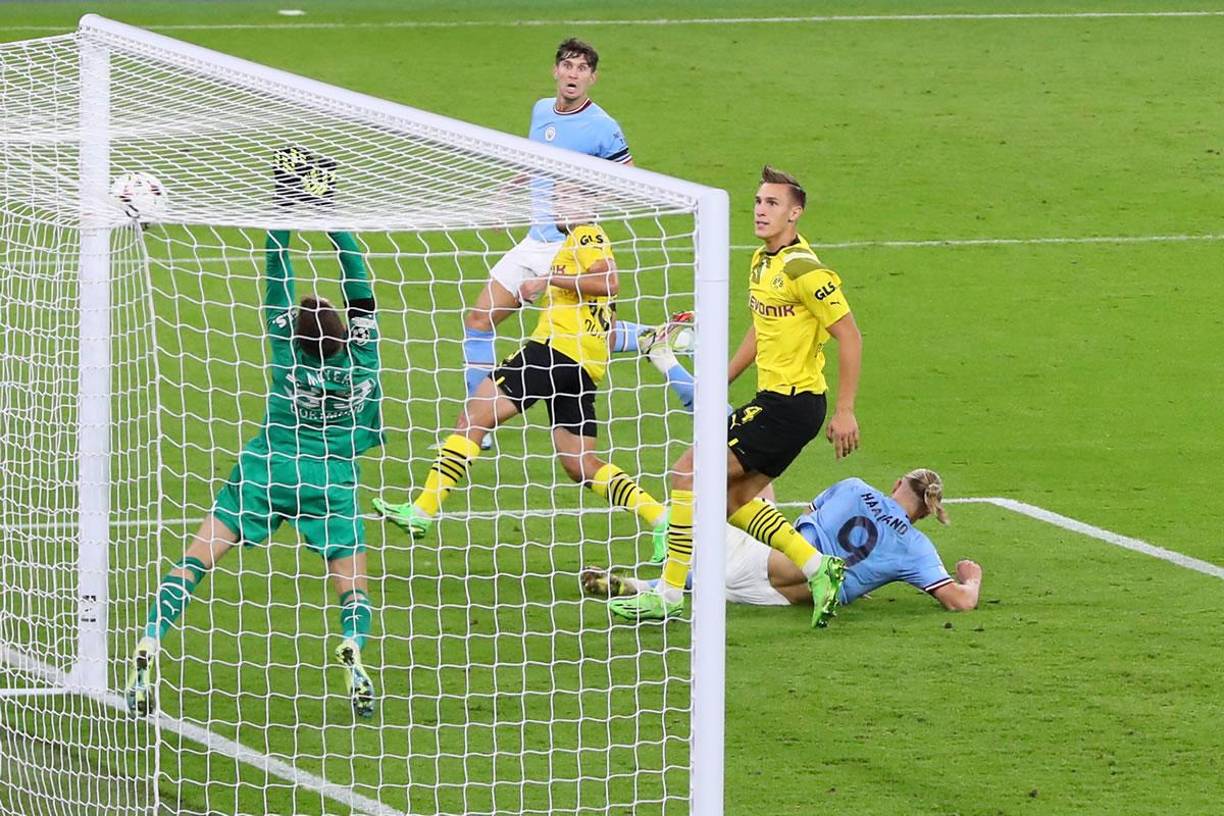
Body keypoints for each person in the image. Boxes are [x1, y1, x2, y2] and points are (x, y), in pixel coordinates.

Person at [123, 229, 383, 719]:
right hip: (330, 481)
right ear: (347, 332)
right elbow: (358, 283)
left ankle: (151, 637)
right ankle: (352, 643)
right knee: (352, 585)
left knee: (196, 561)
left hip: (265, 471)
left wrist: (281, 213)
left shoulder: (287, 352)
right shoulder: (364, 357)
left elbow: (277, 271)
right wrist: (332, 218)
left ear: (297, 332)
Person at [609, 165, 864, 628]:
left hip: (791, 405)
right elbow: (760, 328)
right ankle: (816, 567)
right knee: (731, 502)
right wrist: (723, 377)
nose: (761, 211)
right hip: (780, 403)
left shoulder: (806, 270)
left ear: (795, 213)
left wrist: (846, 411)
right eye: (758, 202)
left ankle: (668, 593)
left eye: (773, 204)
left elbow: (850, 336)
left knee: (688, 473)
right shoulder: (761, 262)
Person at [374, 208, 666, 541]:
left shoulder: (587, 233)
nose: (556, 206)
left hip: (553, 350)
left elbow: (609, 283)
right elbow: (607, 321)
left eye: (565, 198)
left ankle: (422, 510)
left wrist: (547, 279)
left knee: (473, 418)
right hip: (585, 365)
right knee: (580, 463)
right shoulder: (579, 243)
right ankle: (662, 519)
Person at [460, 38, 649, 448]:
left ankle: (655, 338)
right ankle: (480, 419)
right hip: (533, 239)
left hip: (566, 246)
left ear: (592, 78)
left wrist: (586, 203)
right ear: (556, 70)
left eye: (582, 68)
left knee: (574, 335)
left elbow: (632, 182)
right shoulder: (541, 110)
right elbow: (539, 163)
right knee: (478, 319)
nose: (573, 74)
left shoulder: (603, 127)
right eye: (568, 65)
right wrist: (505, 192)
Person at [585, 470, 983, 614]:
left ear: (897, 484)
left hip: (758, 558)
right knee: (717, 582)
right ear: (928, 510)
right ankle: (643, 584)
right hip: (772, 598)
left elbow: (801, 520)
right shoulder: (916, 548)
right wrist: (972, 577)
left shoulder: (853, 486)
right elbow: (960, 601)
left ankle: (659, 545)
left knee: (753, 481)